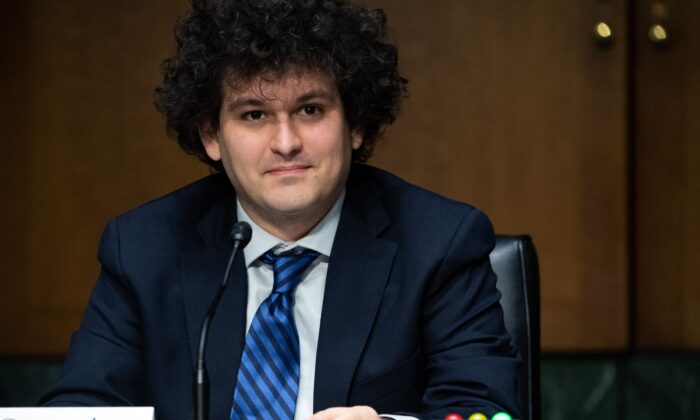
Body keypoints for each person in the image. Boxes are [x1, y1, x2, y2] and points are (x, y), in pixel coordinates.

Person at [40, 1, 519, 419]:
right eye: (254, 115)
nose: (286, 143)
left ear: (354, 123)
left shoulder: (440, 242)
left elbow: (484, 407)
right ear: (211, 136)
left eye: (310, 110)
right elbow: (83, 408)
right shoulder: (143, 248)